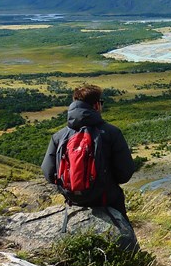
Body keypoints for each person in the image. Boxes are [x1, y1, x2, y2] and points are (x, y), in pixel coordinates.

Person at [41, 84, 135, 218]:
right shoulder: (112, 133)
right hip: (107, 201)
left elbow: (48, 172)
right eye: (101, 102)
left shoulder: (58, 136)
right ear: (96, 105)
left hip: (73, 201)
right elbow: (125, 173)